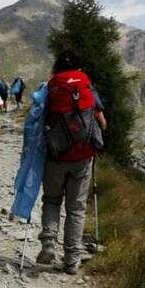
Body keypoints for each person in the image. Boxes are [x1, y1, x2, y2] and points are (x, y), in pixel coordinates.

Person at [36, 50, 106, 275]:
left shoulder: (51, 86)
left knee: (52, 200)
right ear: (79, 67)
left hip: (56, 155)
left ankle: (48, 243)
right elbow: (102, 124)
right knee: (76, 208)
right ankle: (72, 260)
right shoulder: (88, 86)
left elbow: (39, 118)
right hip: (82, 157)